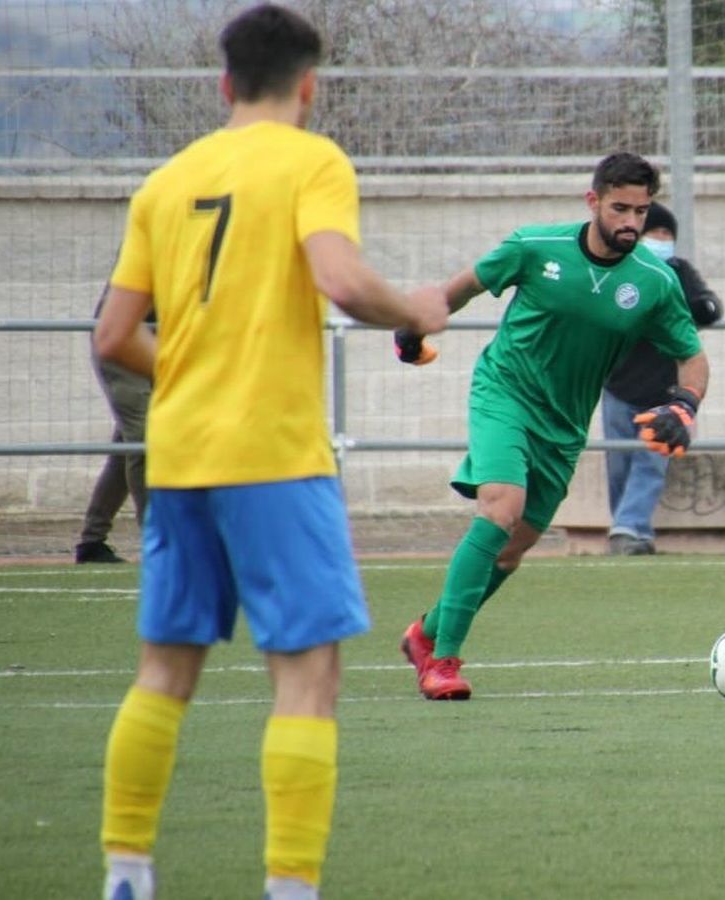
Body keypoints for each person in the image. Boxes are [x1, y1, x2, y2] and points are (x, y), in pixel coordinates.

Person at [91, 6, 449, 899]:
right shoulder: (311, 160)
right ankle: (291, 888)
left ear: (222, 85)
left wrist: (188, 367)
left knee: (165, 671)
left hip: (178, 458)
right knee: (306, 675)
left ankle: (126, 871)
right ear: (308, 86)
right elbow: (337, 276)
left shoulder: (167, 182)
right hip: (276, 457)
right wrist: (413, 310)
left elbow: (111, 336)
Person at [390, 152, 710, 701]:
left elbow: (693, 359)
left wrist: (684, 406)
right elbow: (462, 287)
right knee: (500, 507)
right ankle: (442, 661)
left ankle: (426, 632)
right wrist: (415, 325)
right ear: (593, 202)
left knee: (514, 548)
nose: (632, 221)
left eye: (641, 209)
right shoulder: (536, 248)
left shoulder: (655, 281)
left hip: (563, 426)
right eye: (619, 209)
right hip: (505, 393)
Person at [601, 201, 723, 555]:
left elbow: (709, 308)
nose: (660, 239)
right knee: (619, 464)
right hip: (618, 387)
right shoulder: (620, 270)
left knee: (651, 461)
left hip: (665, 393)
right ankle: (628, 532)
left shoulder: (678, 271)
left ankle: (628, 529)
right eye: (654, 232)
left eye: (666, 234)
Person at [75, 284, 152, 565]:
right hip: (126, 343)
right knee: (144, 441)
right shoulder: (157, 242)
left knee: (127, 446)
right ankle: (159, 541)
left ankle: (92, 541)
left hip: (160, 343)